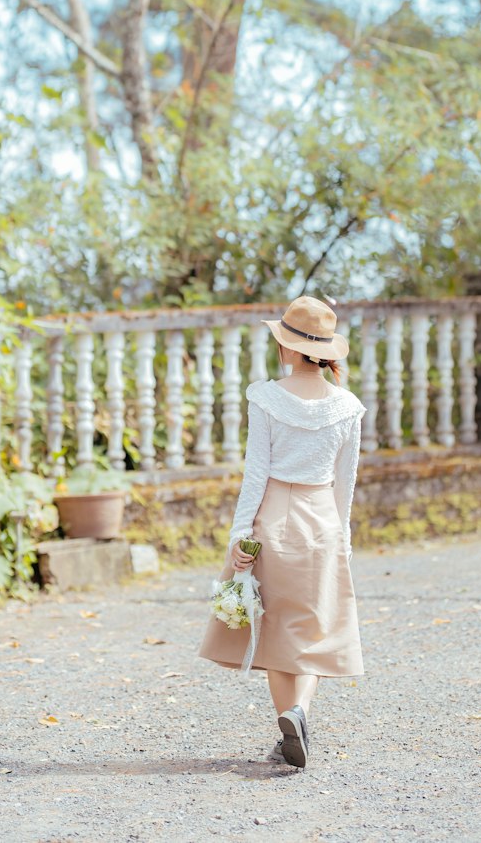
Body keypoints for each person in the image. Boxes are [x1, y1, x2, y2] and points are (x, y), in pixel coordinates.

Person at [198, 295, 366, 769]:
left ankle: (286, 724)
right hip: (322, 521)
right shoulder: (349, 407)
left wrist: (239, 534)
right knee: (317, 628)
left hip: (273, 517)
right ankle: (301, 711)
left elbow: (256, 473)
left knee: (273, 631)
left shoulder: (266, 397)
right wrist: (344, 541)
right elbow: (346, 481)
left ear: (289, 349)